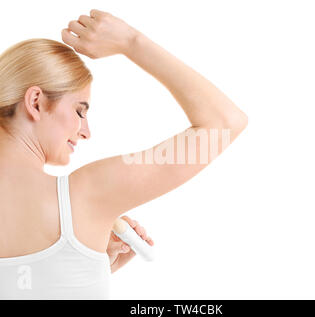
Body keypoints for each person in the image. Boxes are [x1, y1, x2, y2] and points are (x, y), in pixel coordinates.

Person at [0, 8, 247, 299]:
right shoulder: (87, 193)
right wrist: (130, 41)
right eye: (80, 110)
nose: (85, 131)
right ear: (36, 102)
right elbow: (224, 123)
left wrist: (80, 268)